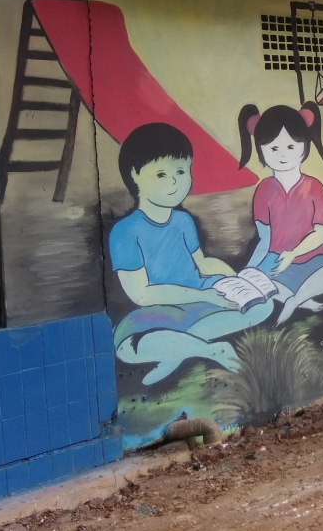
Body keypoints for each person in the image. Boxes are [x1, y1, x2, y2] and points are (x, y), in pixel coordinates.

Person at [110, 123, 274, 385]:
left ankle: (175, 354)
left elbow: (203, 264)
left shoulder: (183, 221)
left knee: (262, 305)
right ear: (135, 175)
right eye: (162, 174)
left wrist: (237, 281)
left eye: (181, 170)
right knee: (126, 347)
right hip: (160, 311)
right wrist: (205, 296)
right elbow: (142, 294)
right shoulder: (125, 231)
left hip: (200, 301)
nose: (175, 181)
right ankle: (210, 350)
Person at [238, 102, 323, 342]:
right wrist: (248, 270)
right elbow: (265, 238)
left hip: (312, 260)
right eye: (273, 148)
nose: (283, 154)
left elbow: (322, 233)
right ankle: (301, 297)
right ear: (261, 150)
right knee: (256, 281)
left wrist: (293, 253)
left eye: (291, 146)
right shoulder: (264, 190)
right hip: (276, 264)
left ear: (304, 146)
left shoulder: (315, 187)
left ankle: (296, 300)